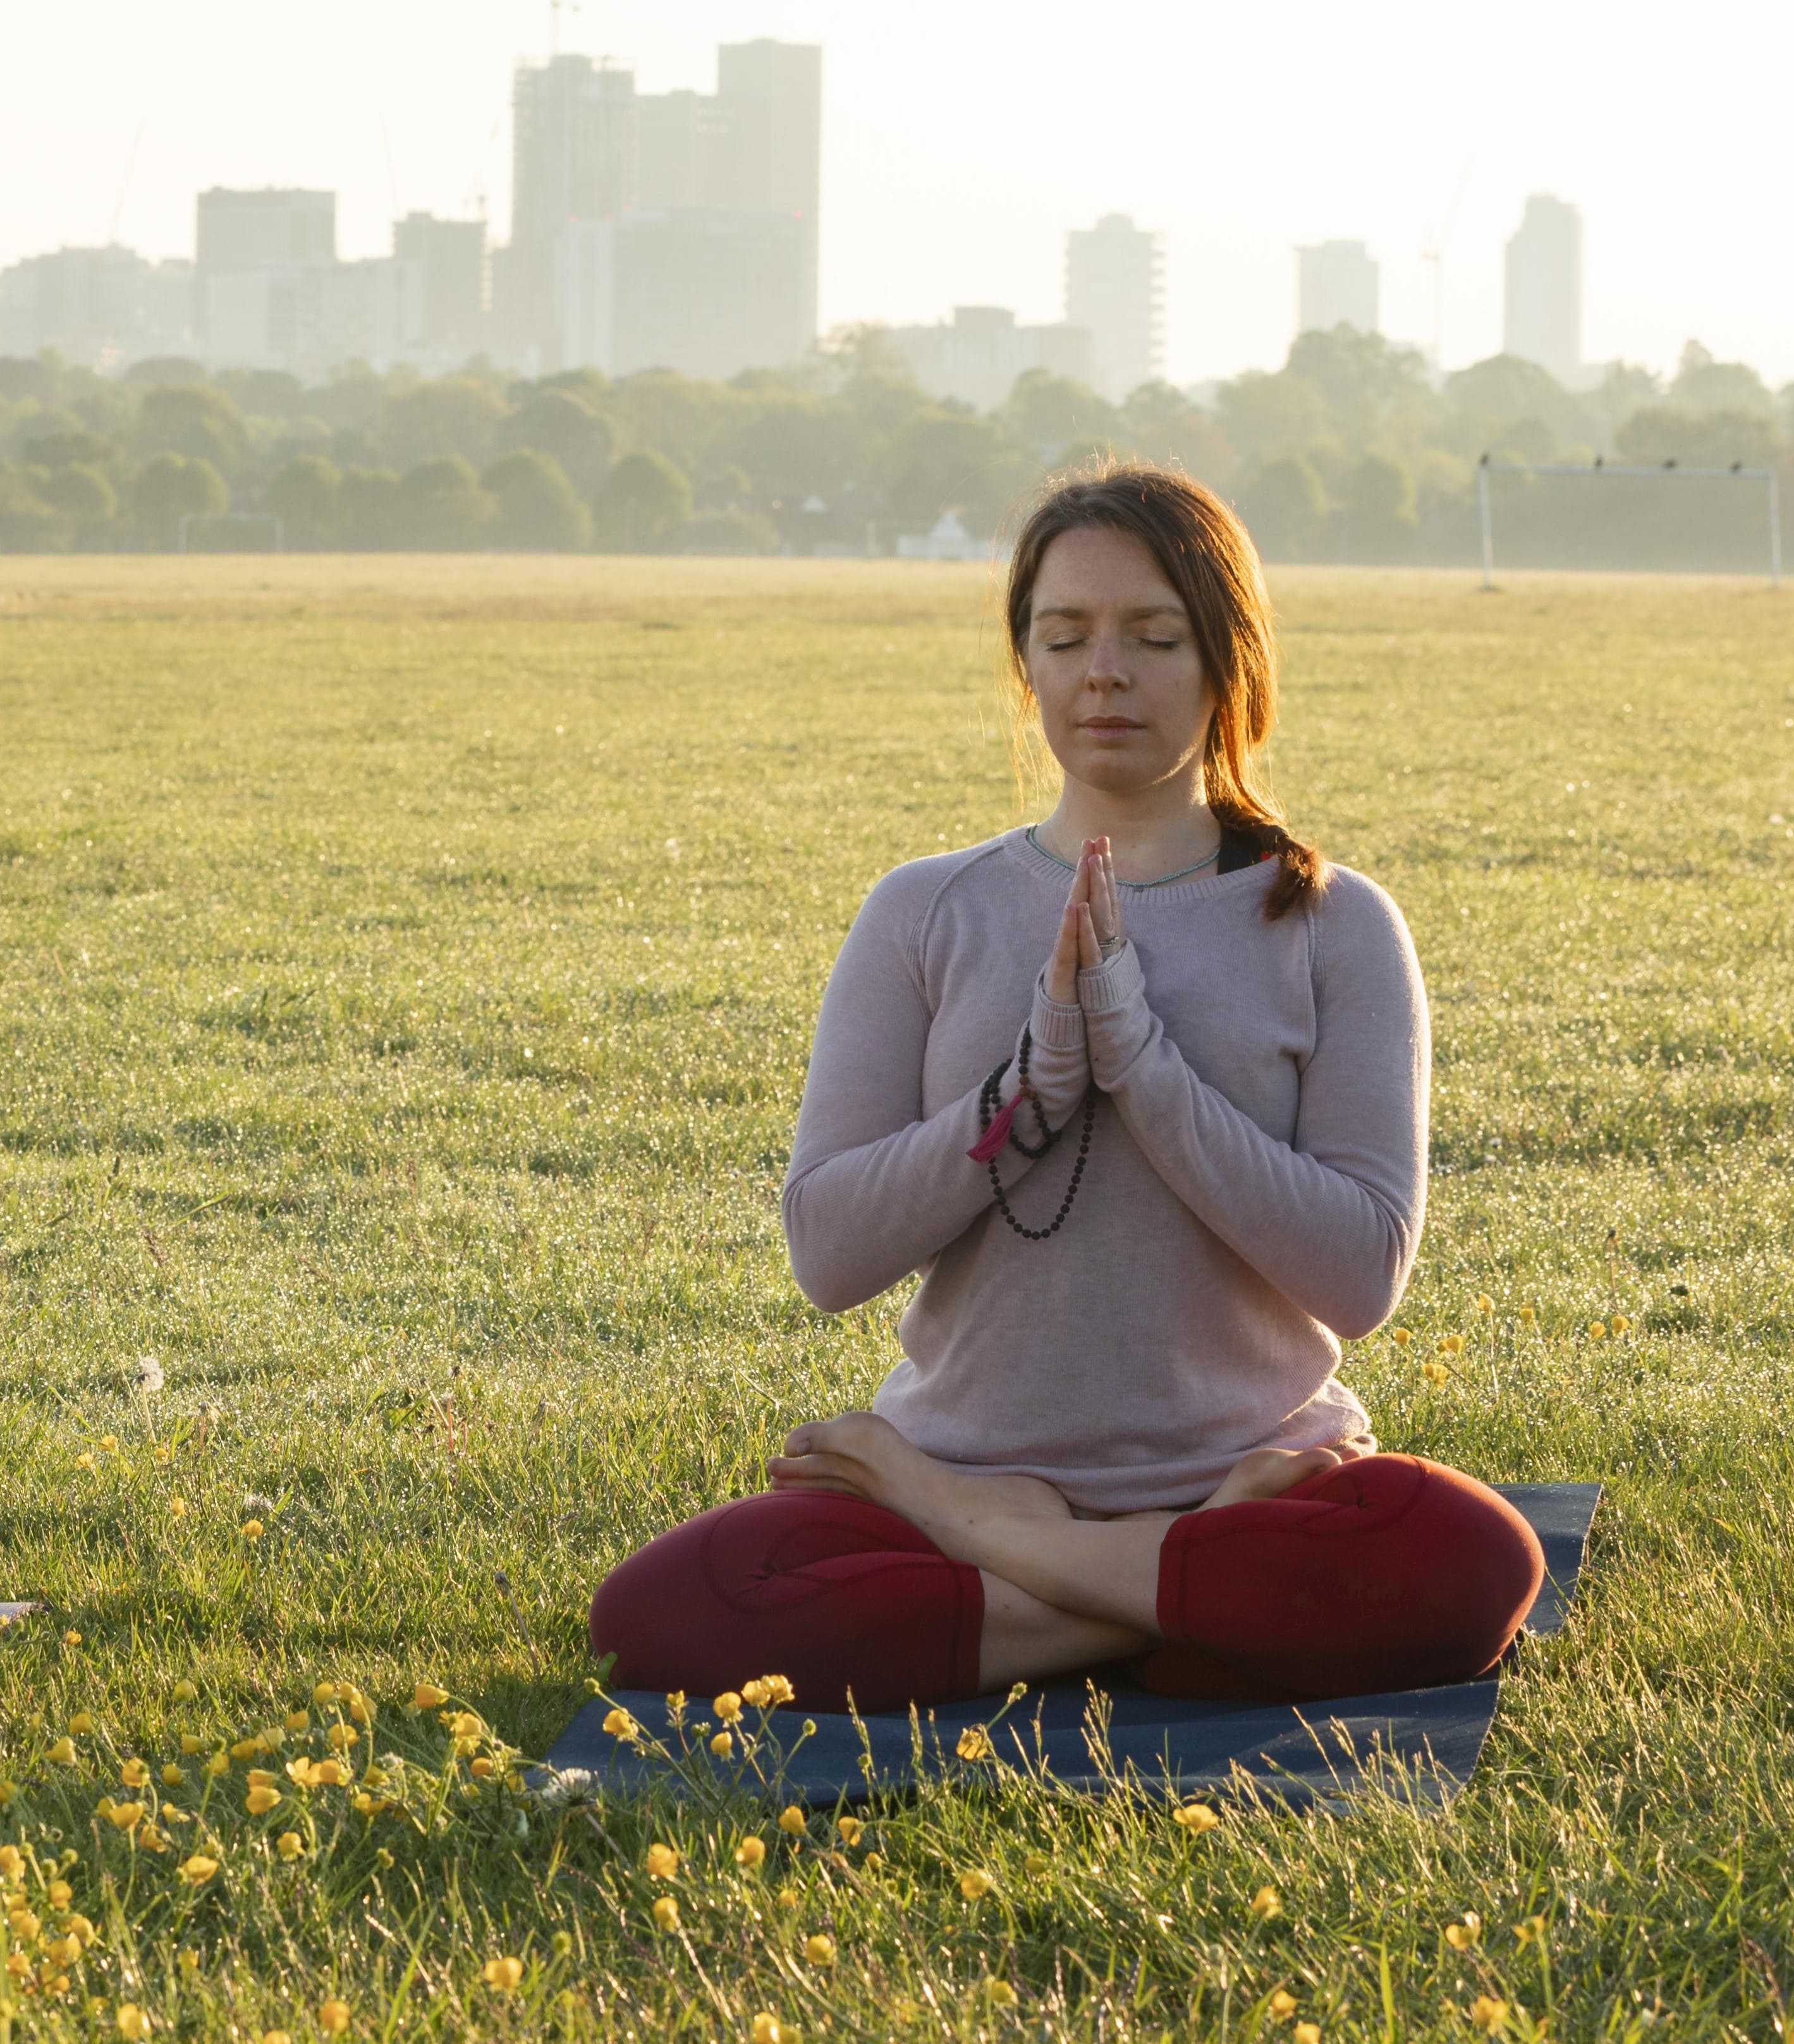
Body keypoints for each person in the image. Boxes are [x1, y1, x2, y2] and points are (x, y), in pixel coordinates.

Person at [588, 465, 1542, 1713]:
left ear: (1226, 663)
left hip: (1253, 1472)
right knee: (662, 1612)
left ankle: (1028, 1579)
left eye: (1156, 637)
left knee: (1470, 1562)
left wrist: (1145, 1071)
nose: (1108, 672)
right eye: (1067, 636)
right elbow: (828, 1252)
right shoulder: (925, 911)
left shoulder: (1333, 922)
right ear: (1026, 663)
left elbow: (1359, 1277)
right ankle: (1175, 1607)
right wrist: (1029, 1091)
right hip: (971, 1464)